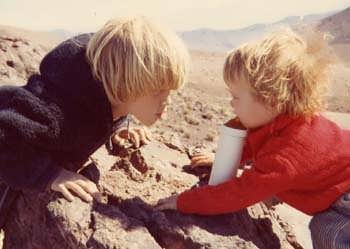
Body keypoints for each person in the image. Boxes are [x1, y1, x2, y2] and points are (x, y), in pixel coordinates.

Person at [155, 29, 350, 249]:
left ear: (271, 100)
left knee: (326, 229)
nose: (231, 104)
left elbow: (239, 193)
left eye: (236, 97)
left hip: (345, 201)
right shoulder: (288, 120)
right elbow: (257, 142)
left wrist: (184, 202)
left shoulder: (286, 155)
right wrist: (224, 159)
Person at [0, 16, 188, 226]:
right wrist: (50, 175)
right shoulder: (59, 114)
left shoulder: (108, 98)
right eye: (157, 91)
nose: (167, 100)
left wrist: (117, 127)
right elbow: (4, 136)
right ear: (123, 84)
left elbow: (106, 110)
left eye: (170, 90)